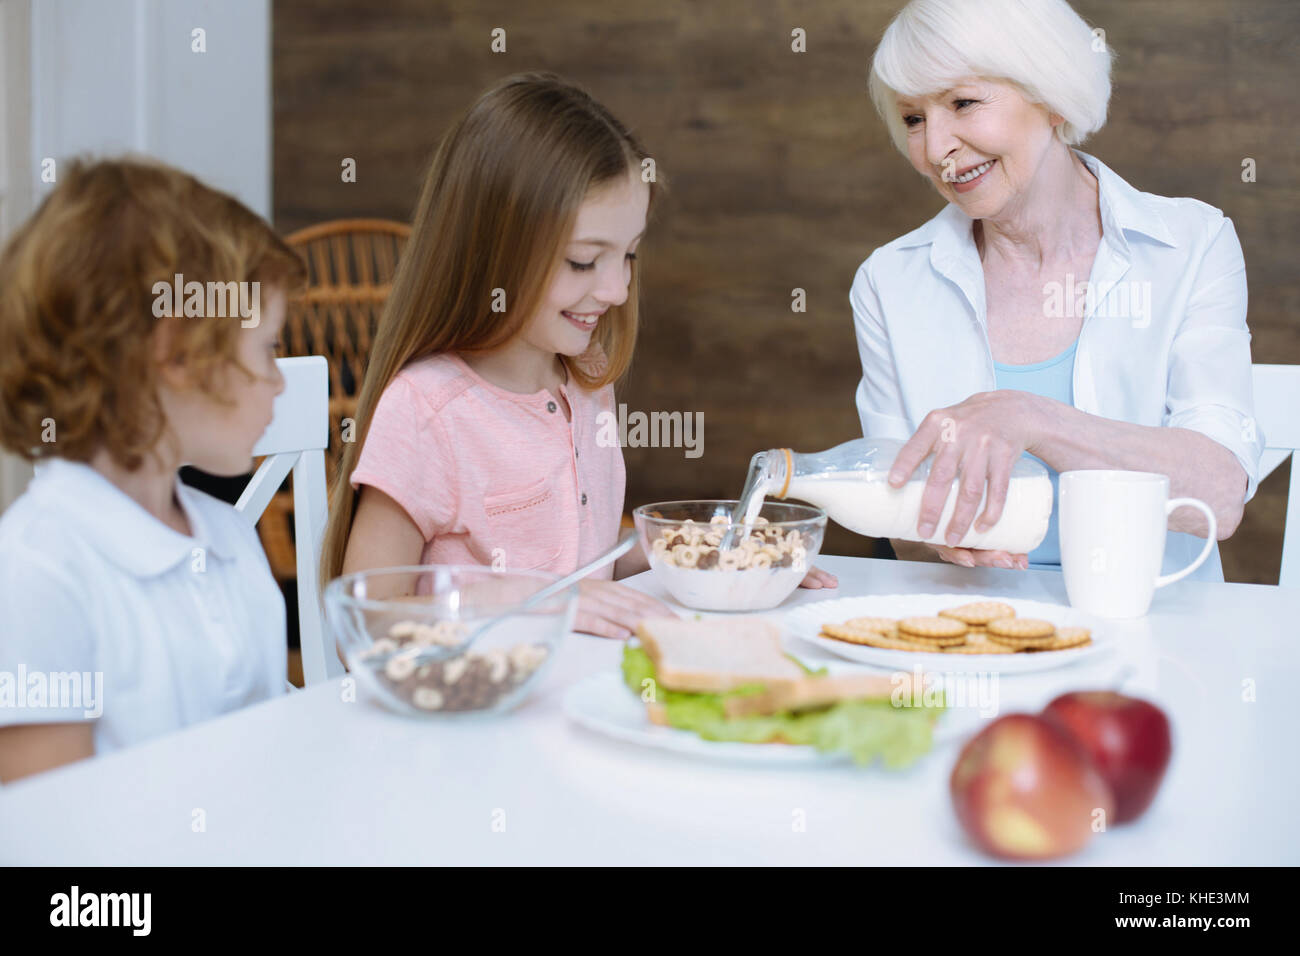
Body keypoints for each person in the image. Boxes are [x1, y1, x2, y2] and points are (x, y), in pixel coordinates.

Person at [323, 73, 837, 639]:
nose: (616, 290)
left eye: (630, 255)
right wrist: (516, 602)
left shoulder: (586, 379)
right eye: (583, 262)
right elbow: (361, 626)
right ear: (494, 251)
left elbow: (581, 571)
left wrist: (708, 555)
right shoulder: (427, 411)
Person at [854, 0, 1260, 579]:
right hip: (973, 627)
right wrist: (938, 540)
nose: (936, 147)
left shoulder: (1190, 245)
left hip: (1155, 633)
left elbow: (1218, 495)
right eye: (914, 119)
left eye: (963, 103)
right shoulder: (889, 279)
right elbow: (899, 516)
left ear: (1048, 93)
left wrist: (1032, 419)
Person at [0, 157, 303, 782]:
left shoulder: (229, 538)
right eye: (268, 348)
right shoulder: (39, 574)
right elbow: (50, 836)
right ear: (175, 352)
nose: (279, 382)